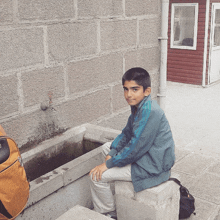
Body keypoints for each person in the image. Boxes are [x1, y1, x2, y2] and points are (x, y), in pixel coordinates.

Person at [89, 67, 175, 219]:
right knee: (106, 148)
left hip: (153, 166)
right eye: (126, 89)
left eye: (134, 89)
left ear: (146, 91)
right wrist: (112, 153)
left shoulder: (150, 111)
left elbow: (135, 147)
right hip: (147, 155)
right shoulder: (139, 107)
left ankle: (108, 213)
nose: (128, 94)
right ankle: (111, 190)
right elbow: (127, 133)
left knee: (95, 177)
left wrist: (108, 165)